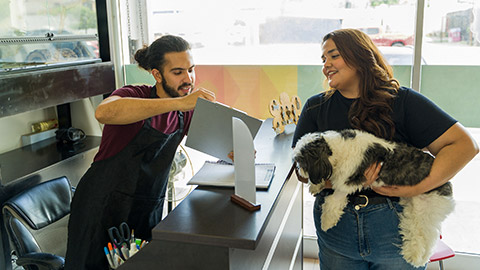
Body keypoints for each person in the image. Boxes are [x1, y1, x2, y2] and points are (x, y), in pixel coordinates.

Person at [292, 28, 479, 270]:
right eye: (323, 59)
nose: (326, 65)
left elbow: (464, 145)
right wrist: (345, 181)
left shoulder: (403, 102)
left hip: (395, 230)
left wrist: (418, 187)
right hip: (337, 231)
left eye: (333, 55)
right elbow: (300, 169)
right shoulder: (316, 107)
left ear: (359, 56)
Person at [64, 35, 216, 270]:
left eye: (191, 70)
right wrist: (179, 103)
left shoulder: (185, 111)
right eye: (178, 72)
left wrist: (237, 147)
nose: (188, 79)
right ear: (157, 75)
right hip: (101, 208)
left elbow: (216, 139)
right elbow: (104, 113)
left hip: (146, 210)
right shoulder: (135, 95)